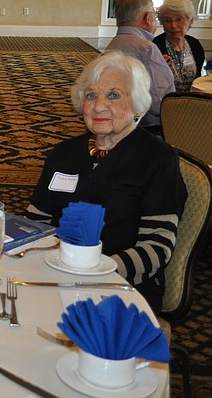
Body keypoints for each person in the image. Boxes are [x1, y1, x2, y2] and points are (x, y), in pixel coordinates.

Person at [25, 51, 186, 313]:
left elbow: (157, 246)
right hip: (58, 275)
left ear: (137, 105)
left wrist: (98, 274)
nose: (99, 106)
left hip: (123, 287)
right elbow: (35, 223)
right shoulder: (62, 154)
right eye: (91, 96)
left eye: (113, 95)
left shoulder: (157, 159)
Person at [106, 0, 175, 134]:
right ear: (148, 18)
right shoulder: (148, 48)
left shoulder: (113, 45)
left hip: (114, 121)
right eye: (155, 16)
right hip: (147, 129)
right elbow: (161, 105)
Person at [153, 0, 205, 92]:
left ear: (191, 21)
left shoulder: (195, 45)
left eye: (178, 19)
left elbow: (198, 80)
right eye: (168, 20)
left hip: (191, 102)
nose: (173, 25)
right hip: (164, 102)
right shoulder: (154, 47)